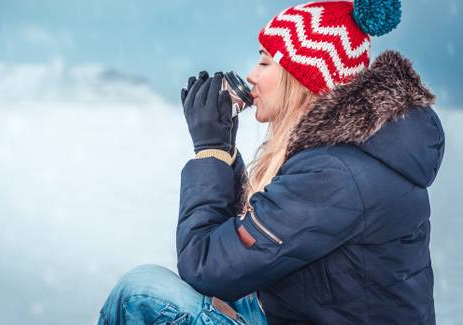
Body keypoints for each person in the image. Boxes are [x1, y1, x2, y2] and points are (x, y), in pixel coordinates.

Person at [98, 0, 445, 324]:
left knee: (140, 292)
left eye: (265, 61)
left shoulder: (335, 173)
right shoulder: (344, 154)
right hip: (291, 312)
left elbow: (205, 266)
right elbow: (244, 251)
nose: (251, 75)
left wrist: (210, 151)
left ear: (303, 80)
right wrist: (226, 152)